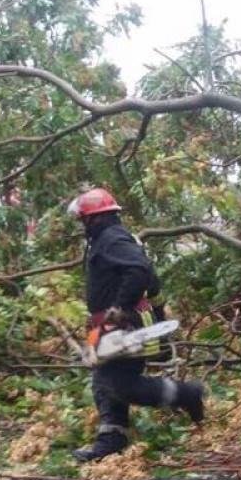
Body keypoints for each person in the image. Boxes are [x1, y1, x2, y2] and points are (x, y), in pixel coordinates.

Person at [68, 187, 205, 462]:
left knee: (121, 385)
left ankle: (187, 393)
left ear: (93, 219)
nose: (82, 226)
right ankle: (112, 438)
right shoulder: (117, 239)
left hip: (126, 327)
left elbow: (140, 272)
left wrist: (120, 307)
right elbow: (152, 281)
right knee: (102, 381)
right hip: (117, 326)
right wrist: (160, 315)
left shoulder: (111, 239)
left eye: (84, 220)